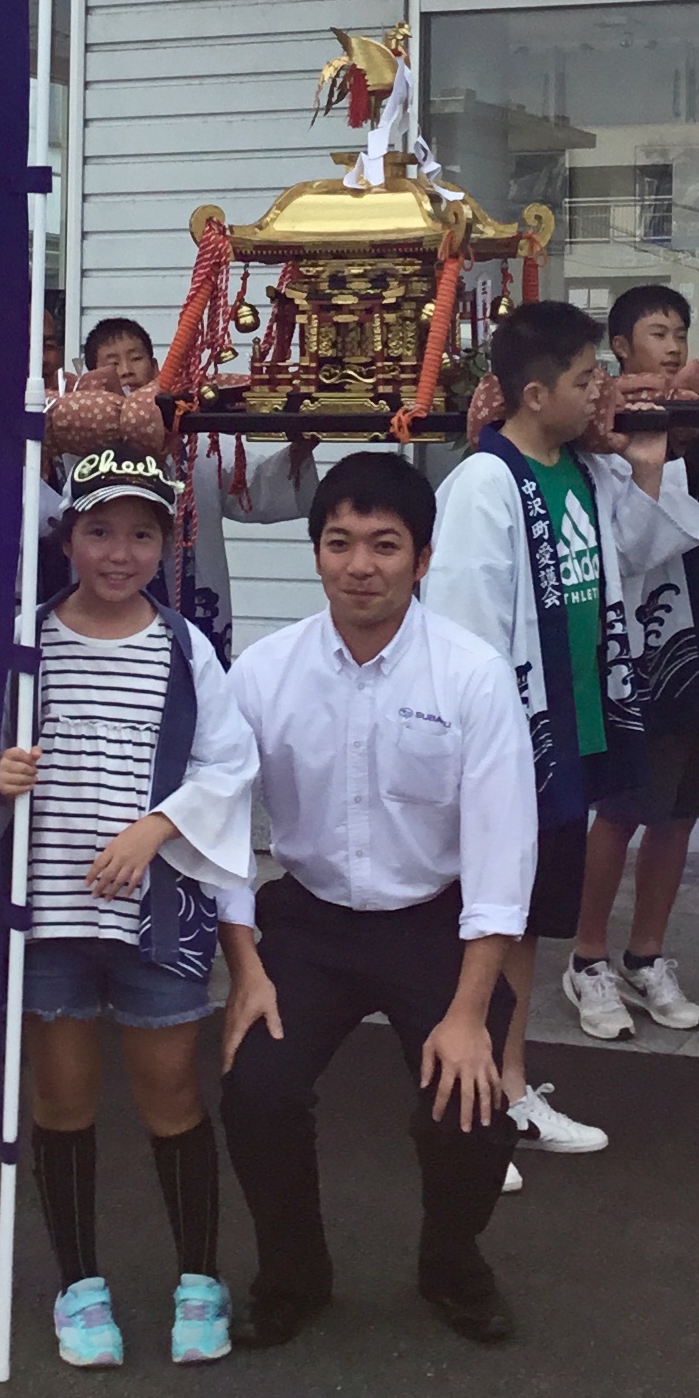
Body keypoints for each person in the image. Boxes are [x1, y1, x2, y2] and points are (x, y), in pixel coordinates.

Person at [217, 453, 536, 1350]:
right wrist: (244, 969)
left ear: (421, 558)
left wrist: (469, 1013)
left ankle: (451, 1263)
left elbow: (501, 853)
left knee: (471, 1104)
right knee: (256, 1088)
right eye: (339, 541)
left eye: (384, 544)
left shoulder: (470, 674)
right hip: (309, 919)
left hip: (433, 922)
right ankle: (293, 1273)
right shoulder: (263, 672)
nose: (360, 565)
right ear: (316, 551)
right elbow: (219, 828)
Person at [426, 300, 699, 1159]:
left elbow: (634, 553)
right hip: (511, 747)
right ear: (535, 391)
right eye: (586, 378)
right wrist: (484, 755)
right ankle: (468, 1114)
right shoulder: (485, 483)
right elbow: (463, 632)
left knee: (523, 926)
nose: (601, 393)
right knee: (485, 926)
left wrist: (646, 464)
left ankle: (509, 1091)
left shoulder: (582, 469)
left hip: (569, 733)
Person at [0, 448, 259, 1367]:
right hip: (50, 919)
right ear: (66, 536)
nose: (119, 553)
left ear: (165, 542)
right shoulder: (24, 643)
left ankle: (200, 1278)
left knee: (172, 1097)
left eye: (141, 534)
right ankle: (79, 1287)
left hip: (157, 917)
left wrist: (157, 826)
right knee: (62, 1101)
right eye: (99, 530)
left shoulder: (184, 646)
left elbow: (228, 763)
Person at [562, 284, 699, 1043]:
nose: (674, 345)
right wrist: (660, 443)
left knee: (683, 807)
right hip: (640, 645)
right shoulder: (602, 432)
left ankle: (646, 954)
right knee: (624, 807)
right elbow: (625, 542)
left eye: (681, 331)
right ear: (621, 347)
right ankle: (587, 957)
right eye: (658, 332)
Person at [63, 316, 320, 662]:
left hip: (195, 609)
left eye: (135, 358)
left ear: (157, 368)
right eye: (112, 362)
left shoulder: (200, 441)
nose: (125, 371)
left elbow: (253, 488)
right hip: (107, 600)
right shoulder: (81, 446)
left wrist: (300, 447)